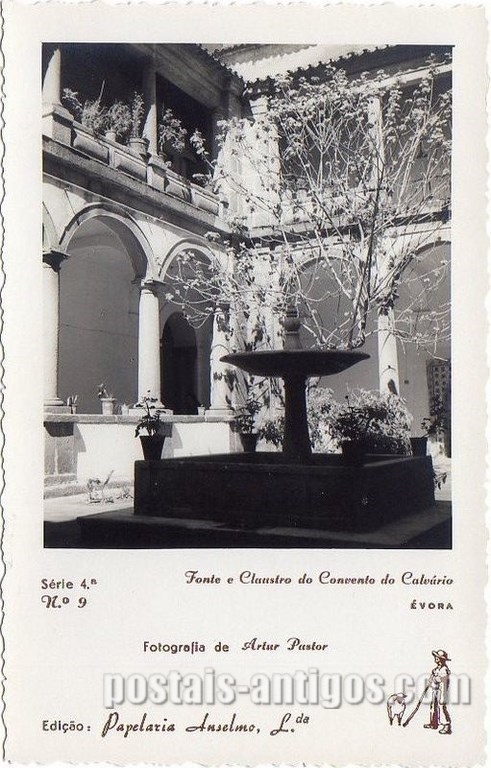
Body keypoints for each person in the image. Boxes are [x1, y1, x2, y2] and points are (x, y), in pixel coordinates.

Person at [424, 649, 452, 734]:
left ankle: (447, 726)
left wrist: (435, 678)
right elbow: (433, 677)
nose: (435, 658)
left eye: (437, 657)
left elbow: (442, 679)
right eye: (435, 657)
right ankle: (433, 723)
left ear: (441, 659)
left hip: (442, 691)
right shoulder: (436, 669)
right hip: (435, 690)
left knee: (441, 707)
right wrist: (430, 679)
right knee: (433, 706)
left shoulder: (444, 669)